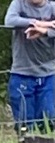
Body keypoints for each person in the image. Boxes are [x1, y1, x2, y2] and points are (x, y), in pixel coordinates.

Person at [4, 0, 55, 132]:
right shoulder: (19, 4)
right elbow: (9, 21)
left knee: (49, 122)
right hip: (22, 74)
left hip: (49, 75)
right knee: (25, 125)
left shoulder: (52, 7)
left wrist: (45, 31)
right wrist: (38, 22)